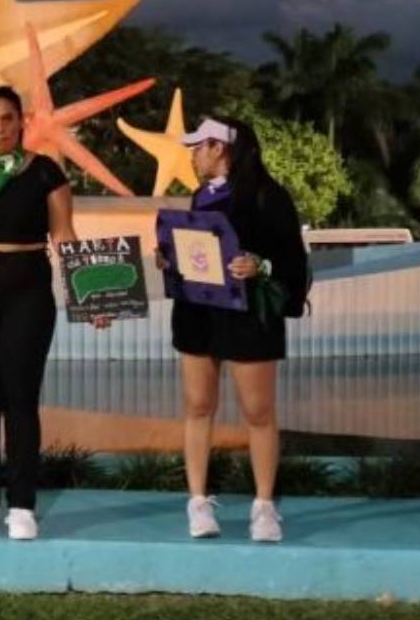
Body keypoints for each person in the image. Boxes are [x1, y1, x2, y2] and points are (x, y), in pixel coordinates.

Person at [0, 85, 107, 541]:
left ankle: (22, 504)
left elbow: (65, 236)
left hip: (29, 291)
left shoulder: (46, 173)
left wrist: (92, 296)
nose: (0, 127)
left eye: (7, 118)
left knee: (21, 397)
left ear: (21, 121)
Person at [162, 117, 308, 543]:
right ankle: (198, 501)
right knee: (197, 406)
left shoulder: (269, 196)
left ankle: (264, 506)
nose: (192, 155)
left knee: (258, 412)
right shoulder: (199, 196)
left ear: (219, 148)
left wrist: (258, 266)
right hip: (198, 315)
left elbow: (293, 262)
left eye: (198, 147)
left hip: (249, 318)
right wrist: (170, 258)